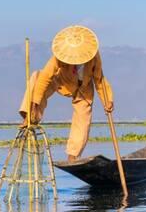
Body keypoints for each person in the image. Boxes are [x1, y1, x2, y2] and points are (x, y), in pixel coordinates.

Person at [19, 25, 114, 163]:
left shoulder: (93, 56)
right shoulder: (59, 57)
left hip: (84, 88)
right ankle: (31, 115)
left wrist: (107, 100)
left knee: (83, 118)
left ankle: (73, 155)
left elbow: (99, 80)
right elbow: (45, 78)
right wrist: (35, 104)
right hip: (61, 81)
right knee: (36, 76)